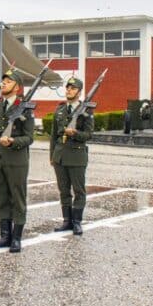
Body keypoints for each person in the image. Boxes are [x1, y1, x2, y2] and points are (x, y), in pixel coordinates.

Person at [0, 69, 34, 253]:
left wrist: (13, 141)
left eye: (8, 81)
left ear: (17, 87)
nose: (4, 83)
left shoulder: (25, 108)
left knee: (17, 198)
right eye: (3, 81)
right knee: (2, 198)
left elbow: (29, 137)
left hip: (16, 159)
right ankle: (5, 236)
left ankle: (16, 237)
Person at [50, 77, 94, 236]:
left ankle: (76, 222)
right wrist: (52, 156)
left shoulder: (86, 111)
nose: (69, 90)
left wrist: (74, 133)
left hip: (76, 156)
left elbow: (89, 134)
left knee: (79, 190)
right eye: (68, 88)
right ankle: (67, 221)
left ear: (79, 92)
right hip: (60, 156)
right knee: (64, 191)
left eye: (73, 88)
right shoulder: (60, 110)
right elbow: (53, 135)